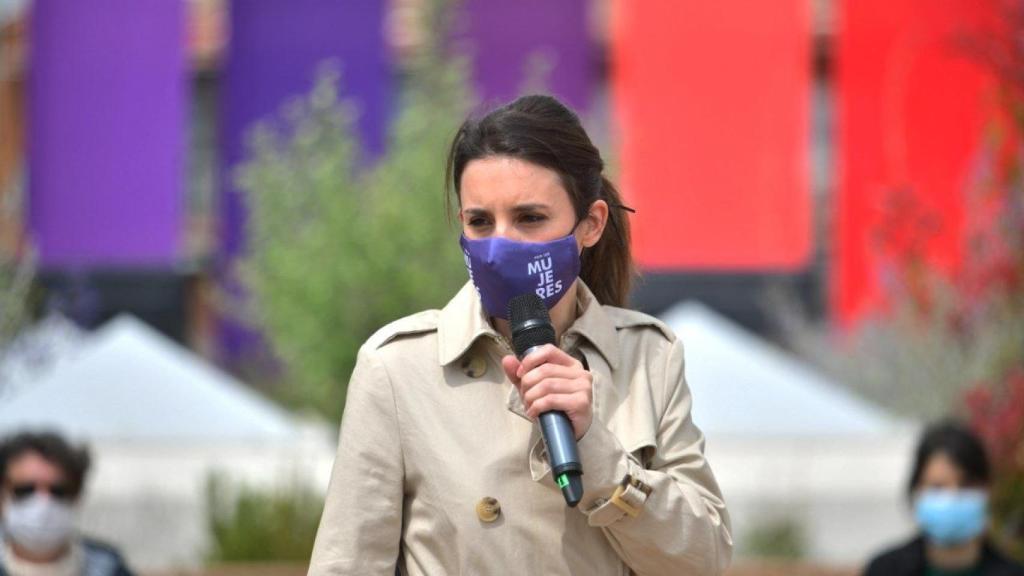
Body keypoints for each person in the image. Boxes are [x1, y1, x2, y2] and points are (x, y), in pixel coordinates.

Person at [307, 94, 732, 575]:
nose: (501, 245)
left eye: (529, 218)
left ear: (589, 224)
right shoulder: (398, 368)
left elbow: (705, 560)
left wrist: (597, 451)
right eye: (480, 222)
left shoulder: (647, 357)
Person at [864, 420, 1024, 576]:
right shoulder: (884, 570)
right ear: (916, 491)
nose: (952, 497)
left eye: (966, 485)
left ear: (988, 490)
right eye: (937, 487)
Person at [0, 431, 134, 576]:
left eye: (58, 491)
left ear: (76, 496)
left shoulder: (110, 566)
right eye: (25, 490)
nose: (43, 503)